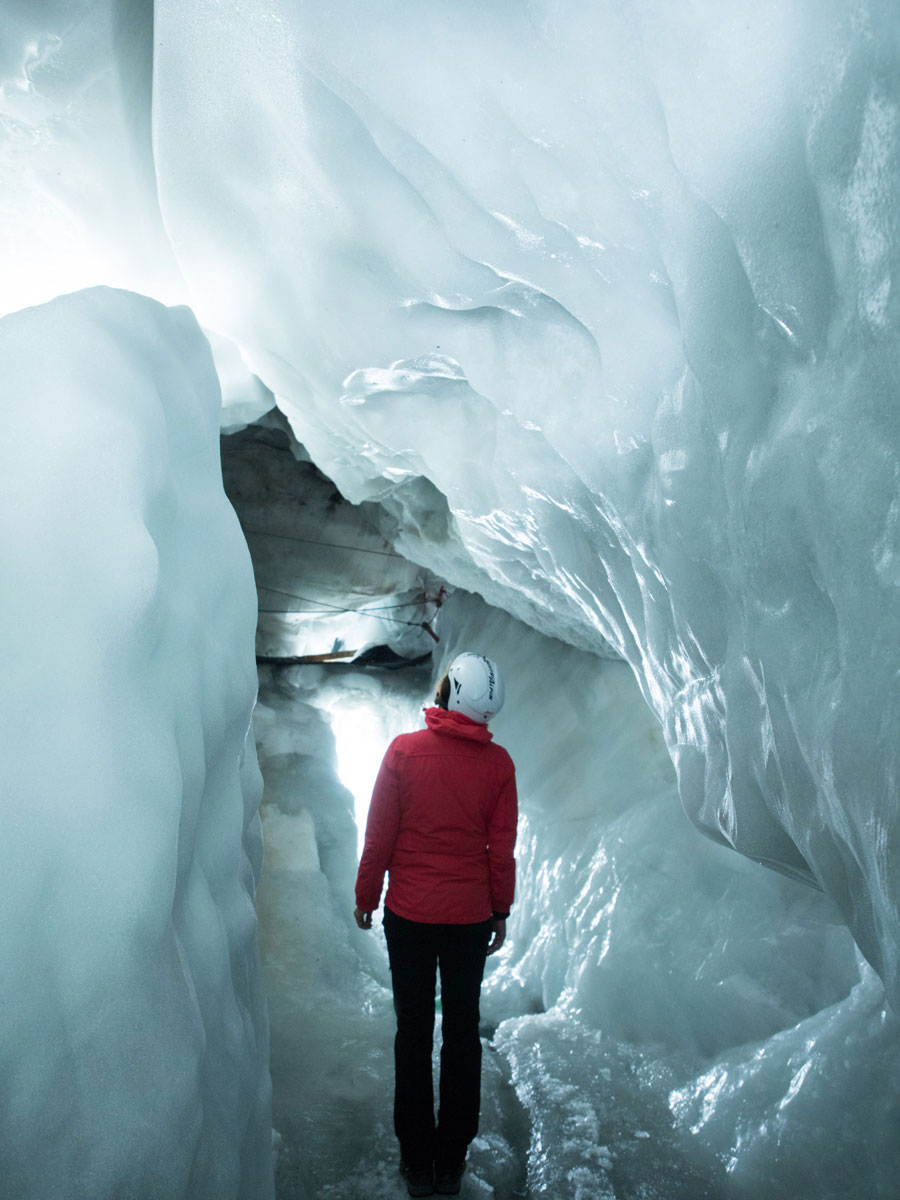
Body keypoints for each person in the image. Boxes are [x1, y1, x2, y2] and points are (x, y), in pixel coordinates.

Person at [354, 652, 518, 1198]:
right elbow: (501, 852)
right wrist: (500, 909)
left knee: (414, 1033)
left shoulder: (404, 753)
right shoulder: (499, 767)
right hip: (469, 919)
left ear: (451, 693)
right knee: (463, 1033)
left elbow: (379, 836)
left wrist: (366, 896)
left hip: (411, 917)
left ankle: (416, 1162)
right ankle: (451, 1161)